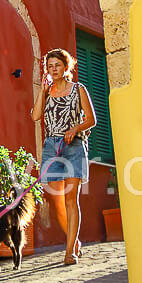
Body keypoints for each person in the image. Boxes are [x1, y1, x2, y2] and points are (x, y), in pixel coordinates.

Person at [31, 47, 96, 265]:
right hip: (52, 147)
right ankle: (74, 239)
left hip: (74, 146)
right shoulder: (47, 92)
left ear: (66, 66)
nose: (53, 69)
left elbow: (91, 119)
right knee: (57, 199)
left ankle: (70, 251)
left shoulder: (78, 89)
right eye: (50, 66)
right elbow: (35, 116)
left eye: (57, 65)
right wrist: (41, 90)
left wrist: (75, 128)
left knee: (70, 198)